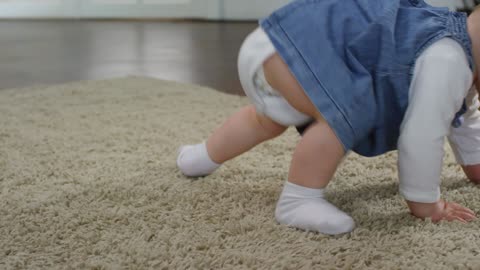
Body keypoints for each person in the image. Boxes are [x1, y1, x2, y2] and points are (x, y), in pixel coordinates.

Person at [177, 0, 480, 235]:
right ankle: (298, 199)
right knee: (348, 114)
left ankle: (200, 157)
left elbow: (464, 117)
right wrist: (426, 205)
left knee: (266, 119)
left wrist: (474, 164)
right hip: (301, 52)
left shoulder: (453, 44)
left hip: (270, 44)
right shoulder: (450, 60)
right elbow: (421, 136)